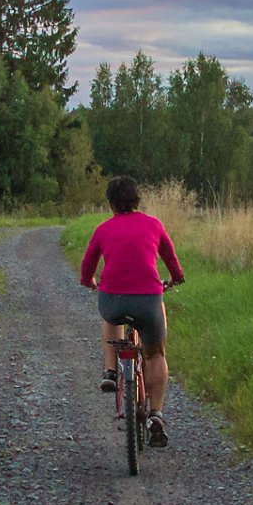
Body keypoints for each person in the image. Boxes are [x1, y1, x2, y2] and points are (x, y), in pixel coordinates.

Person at [79, 175, 184, 447]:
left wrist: (90, 282)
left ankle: (111, 371)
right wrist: (175, 278)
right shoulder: (154, 224)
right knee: (156, 352)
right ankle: (156, 414)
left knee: (109, 316)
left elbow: (87, 268)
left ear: (111, 204)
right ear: (138, 200)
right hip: (148, 300)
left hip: (113, 300)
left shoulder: (103, 229)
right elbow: (171, 260)